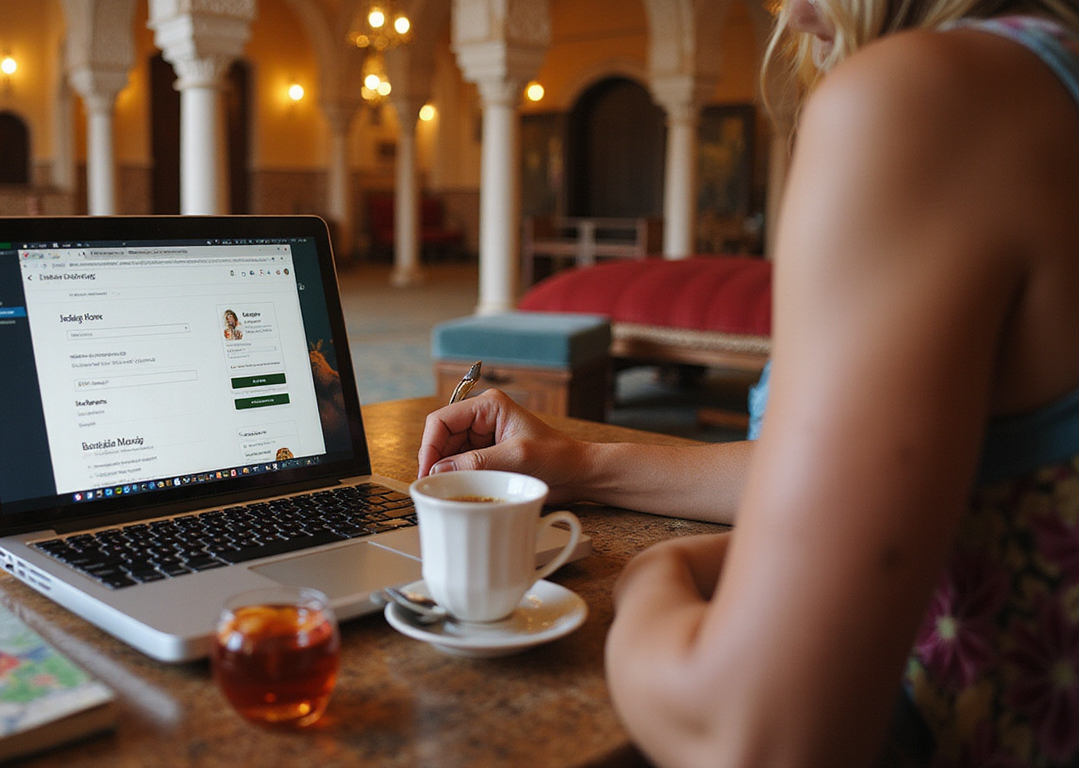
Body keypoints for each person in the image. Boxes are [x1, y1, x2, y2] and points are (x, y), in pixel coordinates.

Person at [416, 2, 1079, 765]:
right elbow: (865, 469)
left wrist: (654, 574)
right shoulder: (1053, 69)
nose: (790, 11)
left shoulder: (925, 98)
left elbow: (746, 738)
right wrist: (581, 462)